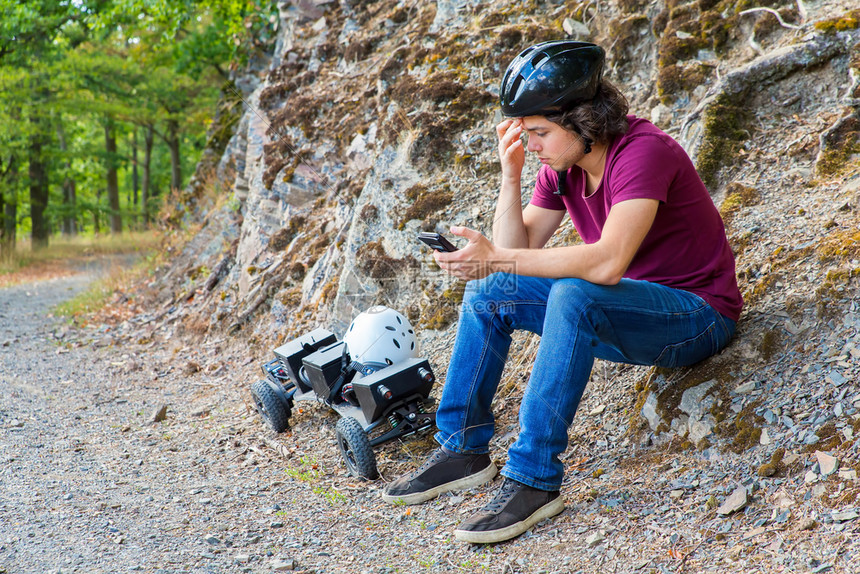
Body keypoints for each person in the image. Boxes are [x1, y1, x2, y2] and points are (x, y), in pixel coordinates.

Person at [381, 41, 742, 544]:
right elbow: (513, 258)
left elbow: (609, 260)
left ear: (584, 119)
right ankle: (463, 447)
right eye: (526, 134)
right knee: (490, 290)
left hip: (697, 316)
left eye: (540, 133)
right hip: (629, 311)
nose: (532, 145)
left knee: (576, 292)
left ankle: (534, 480)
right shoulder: (561, 168)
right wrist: (510, 179)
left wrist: (499, 258)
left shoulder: (643, 152)